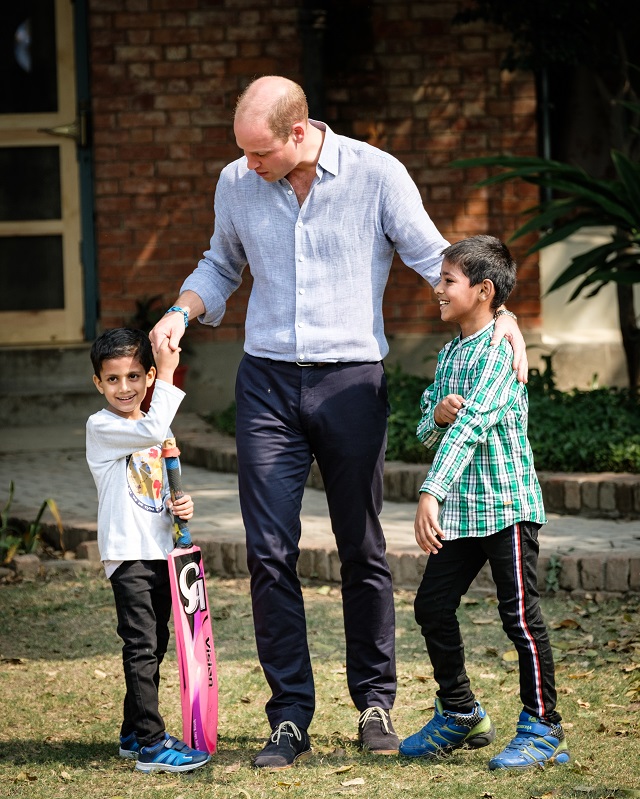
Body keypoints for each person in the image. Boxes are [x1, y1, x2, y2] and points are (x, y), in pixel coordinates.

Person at [149, 75, 527, 769]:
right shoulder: (237, 181)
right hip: (265, 383)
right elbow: (219, 264)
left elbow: (434, 258)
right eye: (242, 151)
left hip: (352, 382)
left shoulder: (377, 175)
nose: (246, 163)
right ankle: (289, 714)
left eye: (258, 151)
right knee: (268, 552)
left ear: (299, 133)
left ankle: (375, 702)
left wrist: (499, 315)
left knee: (361, 546)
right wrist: (182, 310)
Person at [398, 235, 570, 770]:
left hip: (507, 506)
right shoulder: (450, 353)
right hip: (465, 512)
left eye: (448, 280)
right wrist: (440, 413)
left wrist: (430, 490)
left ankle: (544, 728)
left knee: (520, 615)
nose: (438, 289)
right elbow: (428, 423)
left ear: (483, 289)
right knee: (431, 606)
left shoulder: (499, 350)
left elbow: (475, 425)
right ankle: (460, 712)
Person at [86, 328, 210, 774]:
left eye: (135, 376)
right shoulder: (102, 427)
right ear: (99, 384)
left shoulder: (151, 433)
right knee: (141, 645)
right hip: (127, 553)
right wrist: (171, 370)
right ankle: (153, 745)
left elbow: (154, 488)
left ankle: (132, 730)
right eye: (114, 379)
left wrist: (181, 506)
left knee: (155, 642)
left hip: (159, 551)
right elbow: (154, 426)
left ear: (147, 376)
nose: (125, 388)